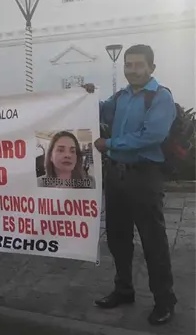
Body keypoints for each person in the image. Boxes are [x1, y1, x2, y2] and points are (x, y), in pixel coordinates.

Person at [83, 44, 177, 325]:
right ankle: (124, 289)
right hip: (116, 176)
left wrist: (109, 144)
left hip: (144, 177)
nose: (132, 70)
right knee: (118, 237)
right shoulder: (121, 96)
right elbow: (101, 112)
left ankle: (164, 300)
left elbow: (152, 135)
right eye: (128, 65)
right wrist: (85, 97)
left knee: (153, 241)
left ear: (151, 68)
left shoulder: (160, 97)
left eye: (138, 65)